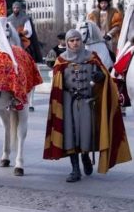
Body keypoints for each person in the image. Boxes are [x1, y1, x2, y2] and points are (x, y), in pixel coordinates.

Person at [44, 29, 131, 182]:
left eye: (77, 39)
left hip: (87, 102)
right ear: (67, 42)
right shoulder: (61, 60)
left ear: (81, 41)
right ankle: (75, 169)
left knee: (86, 133)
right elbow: (57, 85)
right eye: (71, 40)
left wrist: (101, 76)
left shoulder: (92, 57)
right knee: (70, 135)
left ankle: (85, 157)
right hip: (68, 102)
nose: (75, 42)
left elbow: (104, 76)